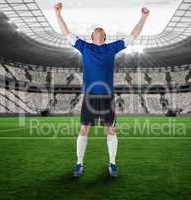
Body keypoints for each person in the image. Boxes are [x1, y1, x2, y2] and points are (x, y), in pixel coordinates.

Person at [54, 2, 150, 177]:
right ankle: (79, 163)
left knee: (111, 130)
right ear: (92, 36)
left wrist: (144, 17)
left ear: (104, 37)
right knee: (84, 129)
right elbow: (66, 33)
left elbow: (132, 36)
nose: (98, 30)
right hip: (90, 96)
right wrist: (58, 14)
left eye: (101, 30)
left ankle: (112, 164)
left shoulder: (111, 48)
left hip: (107, 97)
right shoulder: (85, 47)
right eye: (95, 30)